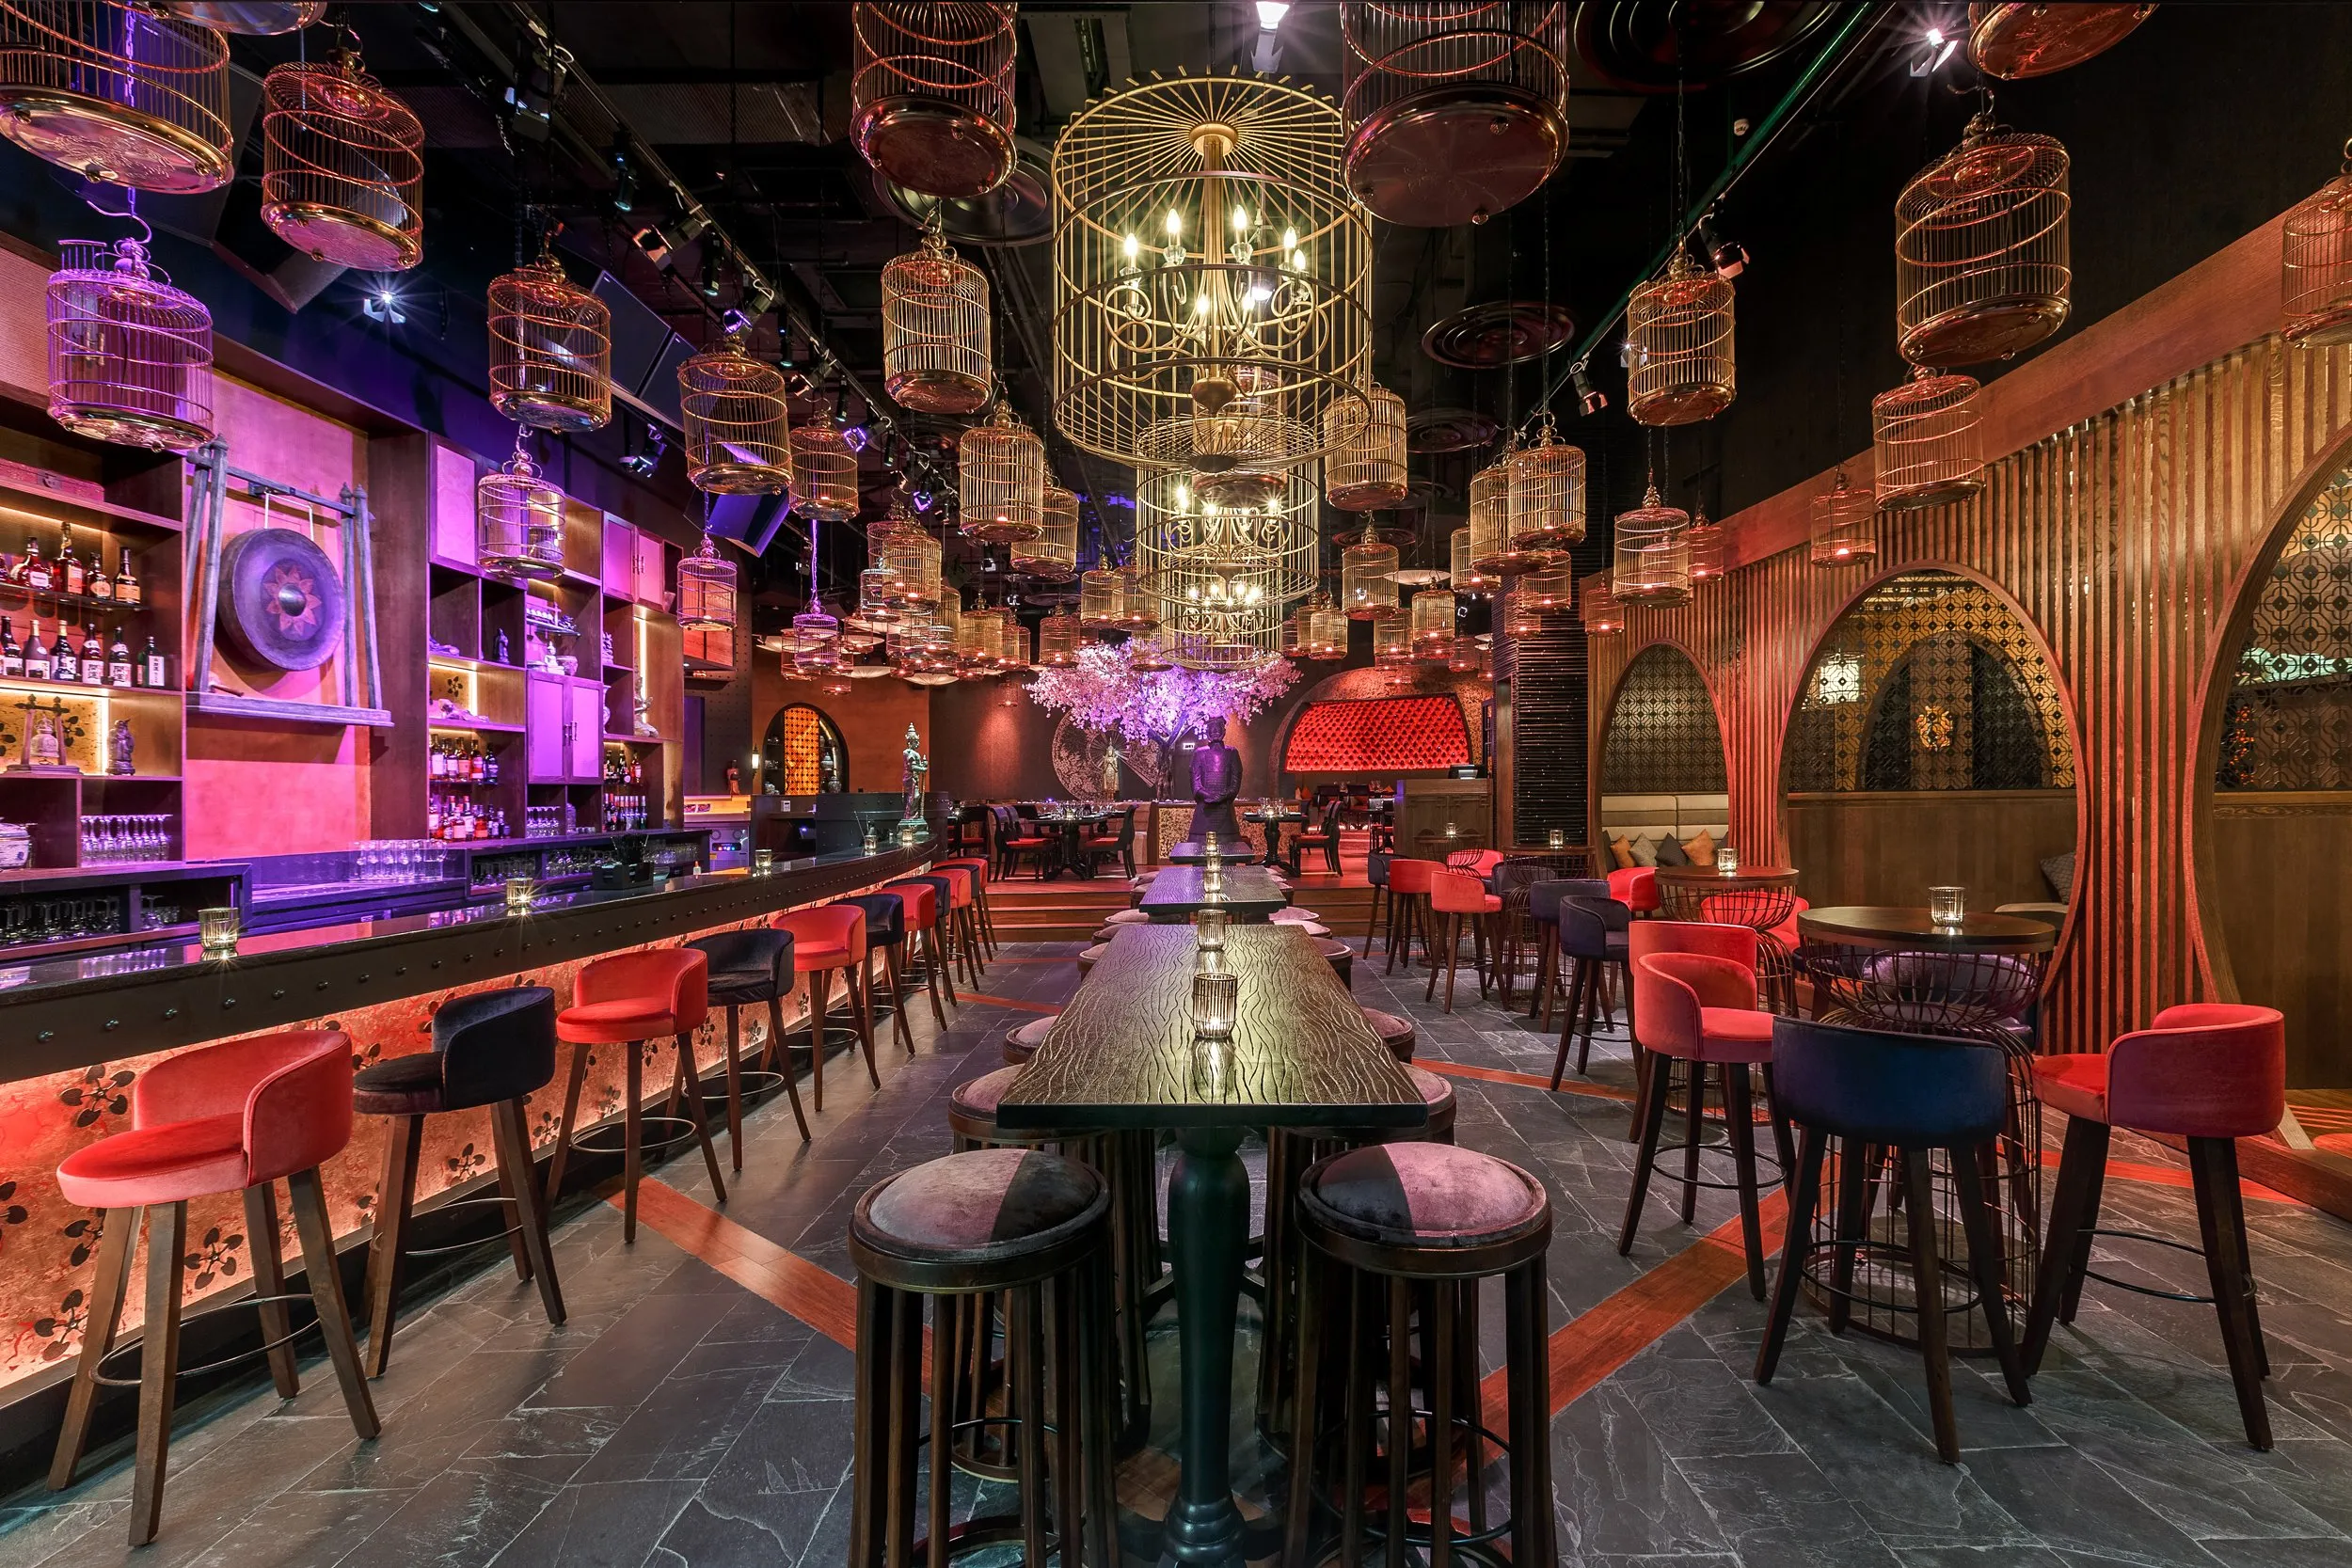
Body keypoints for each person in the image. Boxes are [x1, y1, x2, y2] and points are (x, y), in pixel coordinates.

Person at [1190, 715, 1242, 846]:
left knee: (1229, 854)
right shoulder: (1199, 753)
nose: (1215, 731)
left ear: (1224, 731)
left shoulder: (1232, 752)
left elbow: (1235, 783)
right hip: (1204, 811)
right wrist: (1209, 796)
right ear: (1207, 732)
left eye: (1218, 728)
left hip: (1225, 812)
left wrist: (1222, 796)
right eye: (1211, 728)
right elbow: (1196, 784)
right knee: (1199, 854)